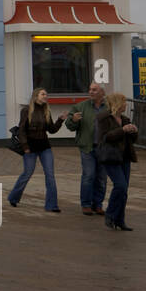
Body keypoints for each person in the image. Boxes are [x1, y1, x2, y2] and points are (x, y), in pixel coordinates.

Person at [7, 89, 64, 211]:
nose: (45, 96)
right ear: (36, 96)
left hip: (45, 147)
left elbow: (52, 130)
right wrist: (25, 146)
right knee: (27, 173)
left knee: (50, 175)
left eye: (46, 94)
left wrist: (60, 120)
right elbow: (21, 130)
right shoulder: (26, 110)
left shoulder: (46, 111)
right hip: (30, 147)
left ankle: (52, 205)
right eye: (43, 94)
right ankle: (13, 197)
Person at [95, 92, 138, 230]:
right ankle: (110, 214)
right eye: (124, 102)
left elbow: (132, 140)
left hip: (124, 157)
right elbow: (104, 137)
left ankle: (120, 220)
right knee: (120, 186)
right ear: (117, 103)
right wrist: (122, 130)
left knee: (124, 190)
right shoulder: (104, 118)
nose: (126, 104)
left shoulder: (125, 119)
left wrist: (133, 131)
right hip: (111, 157)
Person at [65, 82, 109, 215]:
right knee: (89, 175)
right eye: (90, 89)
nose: (91, 92)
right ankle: (86, 204)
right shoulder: (81, 106)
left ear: (102, 92)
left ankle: (98, 205)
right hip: (87, 147)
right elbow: (69, 124)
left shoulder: (108, 107)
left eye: (94, 90)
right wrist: (74, 120)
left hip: (104, 148)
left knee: (101, 178)